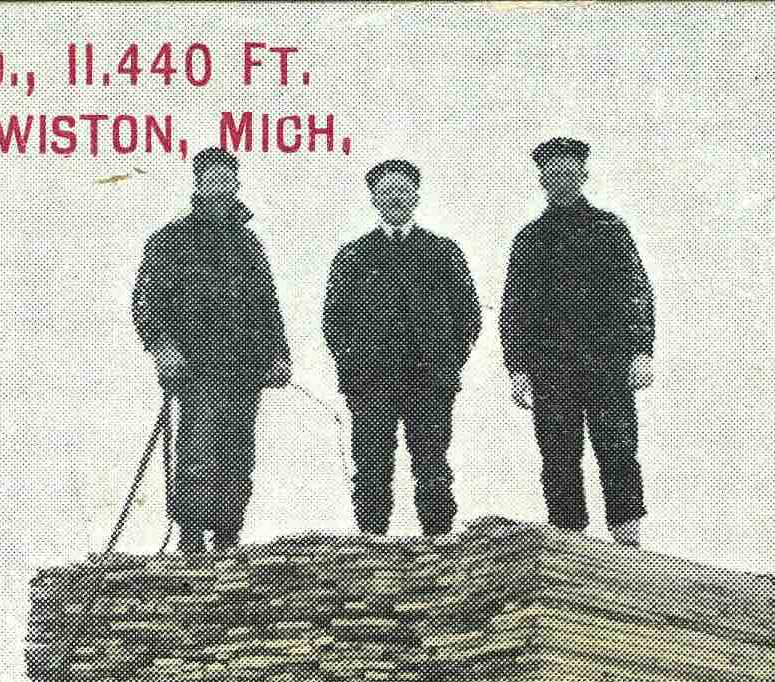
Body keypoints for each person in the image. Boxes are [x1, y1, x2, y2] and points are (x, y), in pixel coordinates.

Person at [131, 146, 293, 554]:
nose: (220, 187)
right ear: (198, 185)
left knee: (238, 456)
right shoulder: (170, 238)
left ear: (236, 185)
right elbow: (145, 300)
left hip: (244, 369)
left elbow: (267, 303)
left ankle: (228, 538)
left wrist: (280, 355)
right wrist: (161, 346)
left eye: (227, 180)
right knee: (198, 453)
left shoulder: (249, 243)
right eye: (211, 180)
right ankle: (189, 539)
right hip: (194, 369)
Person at [498, 137, 656, 546]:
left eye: (569, 174)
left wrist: (641, 351)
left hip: (608, 364)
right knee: (558, 459)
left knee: (619, 453)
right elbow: (514, 308)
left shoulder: (610, 229)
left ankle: (629, 546)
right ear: (542, 180)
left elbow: (636, 291)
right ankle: (569, 548)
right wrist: (517, 369)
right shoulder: (529, 240)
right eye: (553, 176)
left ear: (583, 176)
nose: (561, 182)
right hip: (551, 372)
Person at [321, 158, 481, 538]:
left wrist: (447, 364)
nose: (395, 197)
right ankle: (371, 549)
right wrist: (354, 369)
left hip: (430, 383)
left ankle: (441, 548)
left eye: (403, 190)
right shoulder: (353, 256)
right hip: (370, 385)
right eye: (386, 191)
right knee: (372, 470)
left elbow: (469, 315)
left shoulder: (443, 251)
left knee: (432, 468)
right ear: (373, 198)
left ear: (416, 195)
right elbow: (334, 322)